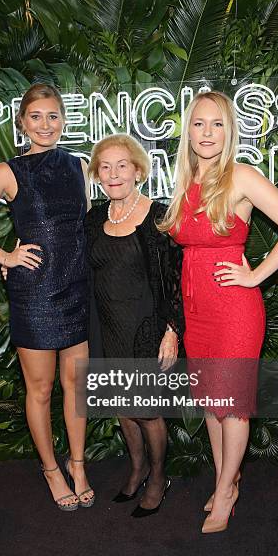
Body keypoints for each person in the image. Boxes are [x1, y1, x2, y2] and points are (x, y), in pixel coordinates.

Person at [159, 90, 278, 533]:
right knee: (211, 402)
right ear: (188, 131)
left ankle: (226, 491)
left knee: (233, 405)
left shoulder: (240, 177)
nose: (207, 132)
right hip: (196, 309)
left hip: (233, 309)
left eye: (217, 124)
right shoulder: (184, 183)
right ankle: (228, 477)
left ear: (229, 132)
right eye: (199, 123)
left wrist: (256, 275)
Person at [0, 83, 94, 511]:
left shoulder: (79, 165)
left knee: (76, 385)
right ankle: (51, 469)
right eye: (36, 117)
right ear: (22, 123)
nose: (45, 124)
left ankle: (79, 464)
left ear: (64, 120)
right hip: (35, 291)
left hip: (75, 285)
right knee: (41, 387)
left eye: (53, 116)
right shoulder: (9, 171)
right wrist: (6, 256)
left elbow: (84, 225)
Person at [85, 133, 184, 517]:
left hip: (146, 329)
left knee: (146, 410)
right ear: (97, 174)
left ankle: (158, 475)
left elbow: (177, 280)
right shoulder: (94, 219)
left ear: (138, 170)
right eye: (105, 167)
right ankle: (137, 467)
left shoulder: (158, 218)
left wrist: (172, 331)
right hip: (107, 327)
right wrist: (10, 264)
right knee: (122, 406)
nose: (113, 174)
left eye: (121, 165)